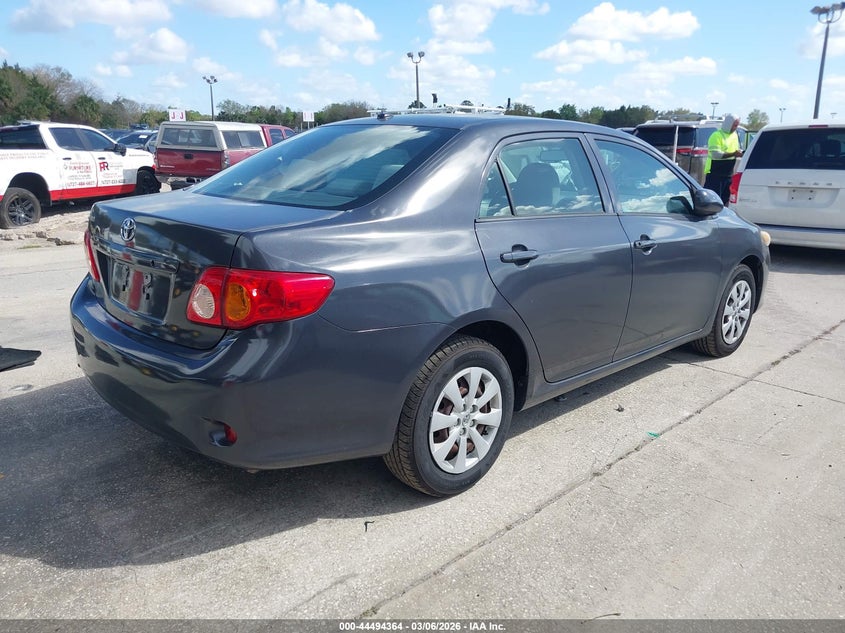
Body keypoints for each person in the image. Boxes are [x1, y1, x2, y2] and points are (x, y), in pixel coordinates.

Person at [704, 114, 743, 205]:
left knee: (725, 202)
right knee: (712, 202)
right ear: (729, 124)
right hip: (715, 174)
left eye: (737, 125)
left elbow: (736, 150)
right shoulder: (716, 135)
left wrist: (740, 153)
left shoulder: (734, 135)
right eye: (735, 125)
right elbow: (716, 154)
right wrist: (734, 154)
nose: (735, 128)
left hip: (728, 175)